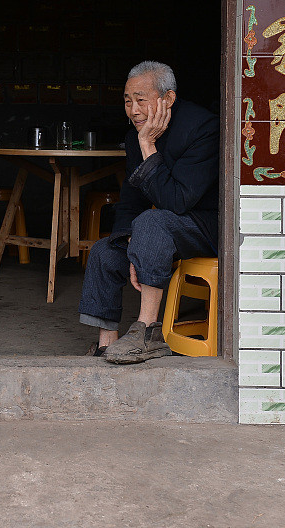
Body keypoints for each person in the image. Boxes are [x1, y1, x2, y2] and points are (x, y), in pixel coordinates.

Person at [79, 61, 218, 364]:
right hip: (165, 229)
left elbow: (179, 201)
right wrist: (131, 241)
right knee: (106, 249)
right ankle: (106, 344)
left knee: (152, 223)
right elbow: (131, 197)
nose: (133, 109)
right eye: (127, 101)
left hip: (206, 226)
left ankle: (147, 332)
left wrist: (147, 144)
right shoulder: (134, 136)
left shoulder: (202, 128)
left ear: (167, 99)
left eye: (141, 99)